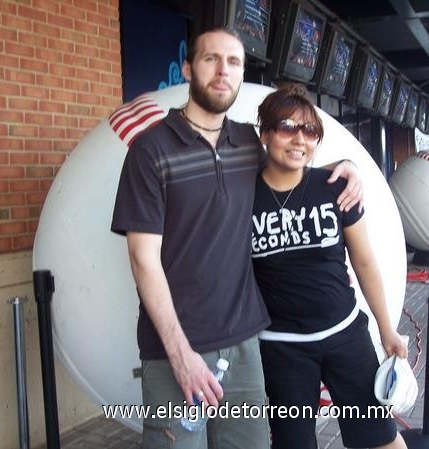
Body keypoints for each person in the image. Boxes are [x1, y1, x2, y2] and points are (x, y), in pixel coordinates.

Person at [111, 28, 363, 449]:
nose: (222, 71)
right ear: (189, 68)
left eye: (233, 62)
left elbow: (291, 162)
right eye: (211, 59)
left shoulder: (246, 142)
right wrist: (181, 355)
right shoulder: (150, 151)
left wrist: (347, 164)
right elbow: (142, 259)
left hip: (244, 344)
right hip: (174, 348)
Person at [251, 85, 408, 449]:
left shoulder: (335, 186)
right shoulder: (244, 197)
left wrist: (387, 330)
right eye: (287, 126)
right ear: (265, 134)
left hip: (345, 336)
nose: (299, 139)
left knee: (380, 438)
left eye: (310, 131)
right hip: (282, 347)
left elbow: (364, 260)